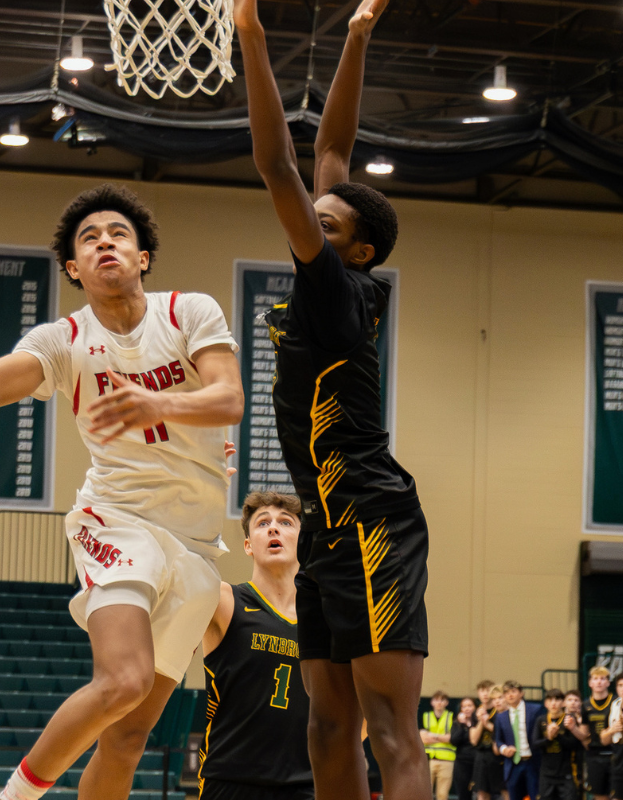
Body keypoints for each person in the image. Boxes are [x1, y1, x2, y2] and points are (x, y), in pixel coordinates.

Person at [0, 183, 244, 800]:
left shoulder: (188, 312)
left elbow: (229, 399)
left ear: (143, 256)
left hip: (196, 543)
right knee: (123, 680)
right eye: (89, 239)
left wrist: (158, 403)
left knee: (129, 735)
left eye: (118, 233)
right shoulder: (61, 340)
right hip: (118, 519)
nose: (104, 242)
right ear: (73, 268)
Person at [232, 0, 429, 796]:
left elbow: (279, 164)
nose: (309, 227)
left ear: (361, 250)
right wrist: (356, 35)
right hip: (325, 523)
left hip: (374, 519)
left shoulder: (336, 288)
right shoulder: (336, 277)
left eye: (326, 225)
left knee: (391, 730)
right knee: (326, 726)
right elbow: (333, 152)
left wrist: (250, 35)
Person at [198, 491, 312, 800]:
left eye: (286, 522)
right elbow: (182, 568)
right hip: (229, 781)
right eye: (263, 523)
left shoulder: (323, 620)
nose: (274, 528)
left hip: (304, 785)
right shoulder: (223, 600)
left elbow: (356, 715)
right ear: (248, 545)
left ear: (303, 541)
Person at [494, 680, 543, 800]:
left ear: (521, 693)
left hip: (532, 761)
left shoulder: (535, 709)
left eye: (513, 691)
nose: (510, 695)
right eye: (507, 693)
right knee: (514, 796)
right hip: (513, 763)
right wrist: (504, 749)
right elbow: (498, 740)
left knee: (535, 795)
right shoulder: (501, 717)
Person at [531, 689, 580, 800]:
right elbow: (535, 744)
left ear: (563, 703)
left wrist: (557, 736)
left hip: (565, 773)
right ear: (545, 703)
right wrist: (548, 738)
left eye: (557, 699)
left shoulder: (569, 719)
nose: (553, 703)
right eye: (550, 700)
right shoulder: (541, 720)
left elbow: (574, 744)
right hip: (546, 774)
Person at [599, 672, 623, 800]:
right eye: (620, 685)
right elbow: (604, 740)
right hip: (619, 760)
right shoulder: (614, 706)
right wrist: (611, 730)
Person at [582, 665, 616, 800]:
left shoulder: (616, 702)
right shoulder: (586, 705)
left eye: (602, 679)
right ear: (590, 683)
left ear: (608, 682)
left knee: (617, 793)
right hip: (595, 755)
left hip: (615, 753)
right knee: (599, 794)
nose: (599, 682)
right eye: (595, 679)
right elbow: (584, 734)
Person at [472, 685, 506, 800]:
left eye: (499, 698)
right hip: (482, 755)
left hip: (500, 756)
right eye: (495, 698)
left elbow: (504, 733)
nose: (485, 694)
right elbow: (473, 740)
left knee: (505, 790)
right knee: (481, 791)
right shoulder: (477, 712)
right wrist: (481, 721)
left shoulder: (501, 713)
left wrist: (487, 724)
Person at [421, 691, 456, 800]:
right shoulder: (425, 716)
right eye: (436, 700)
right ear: (431, 702)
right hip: (428, 759)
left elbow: (451, 738)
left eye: (442, 700)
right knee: (425, 793)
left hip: (447, 760)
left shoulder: (451, 716)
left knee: (442, 795)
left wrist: (433, 735)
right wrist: (442, 737)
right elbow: (423, 738)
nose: (439, 703)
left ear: (446, 702)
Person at [452, 697, 478, 800]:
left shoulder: (478, 723)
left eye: (469, 706)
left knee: (479, 793)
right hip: (462, 763)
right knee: (463, 794)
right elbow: (454, 741)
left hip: (477, 762)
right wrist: (462, 725)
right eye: (464, 706)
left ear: (475, 707)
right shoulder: (457, 723)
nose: (467, 709)